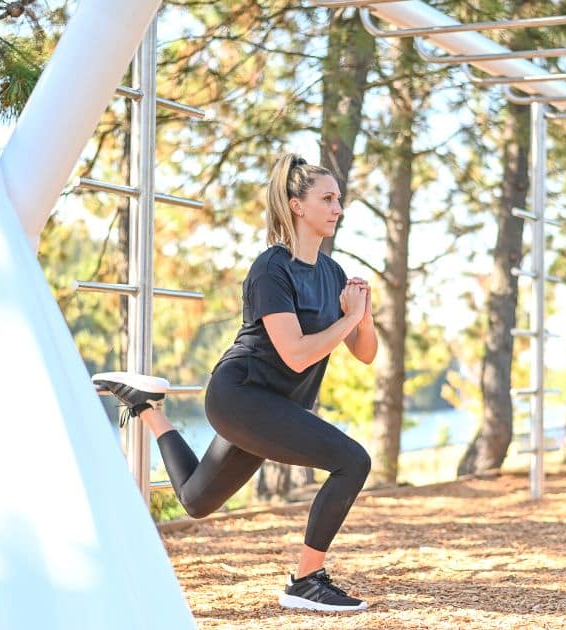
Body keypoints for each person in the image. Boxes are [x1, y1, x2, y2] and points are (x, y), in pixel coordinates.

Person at [93, 153, 378, 612]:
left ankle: (149, 408)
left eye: (339, 199)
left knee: (197, 500)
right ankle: (306, 580)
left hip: (276, 408)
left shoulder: (334, 273)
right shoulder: (272, 268)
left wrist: (361, 318)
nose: (337, 208)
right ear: (297, 206)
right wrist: (348, 319)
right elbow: (297, 353)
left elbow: (365, 354)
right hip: (240, 395)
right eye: (327, 198)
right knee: (352, 461)